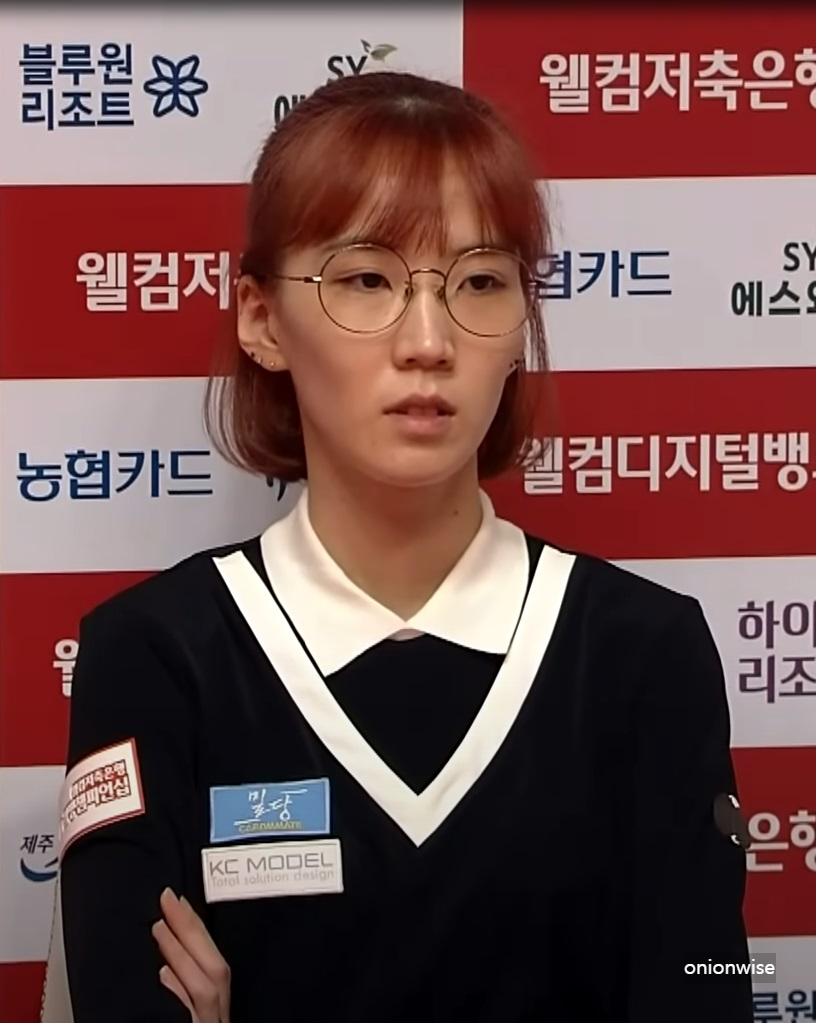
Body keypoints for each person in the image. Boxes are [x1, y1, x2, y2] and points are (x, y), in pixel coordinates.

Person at [58, 70, 754, 1023]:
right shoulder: (155, 653)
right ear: (261, 318)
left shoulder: (644, 650)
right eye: (367, 280)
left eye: (480, 282)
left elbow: (705, 989)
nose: (428, 341)